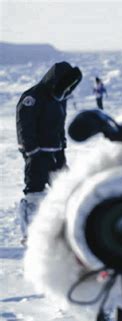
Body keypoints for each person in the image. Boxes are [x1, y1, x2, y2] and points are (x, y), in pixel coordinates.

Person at [16, 61, 82, 243]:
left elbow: (59, 126)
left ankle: (64, 229)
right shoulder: (33, 97)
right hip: (37, 154)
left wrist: (62, 147)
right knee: (35, 193)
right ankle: (29, 232)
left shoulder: (60, 99)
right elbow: (25, 125)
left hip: (56, 152)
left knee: (66, 190)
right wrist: (31, 150)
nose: (67, 89)